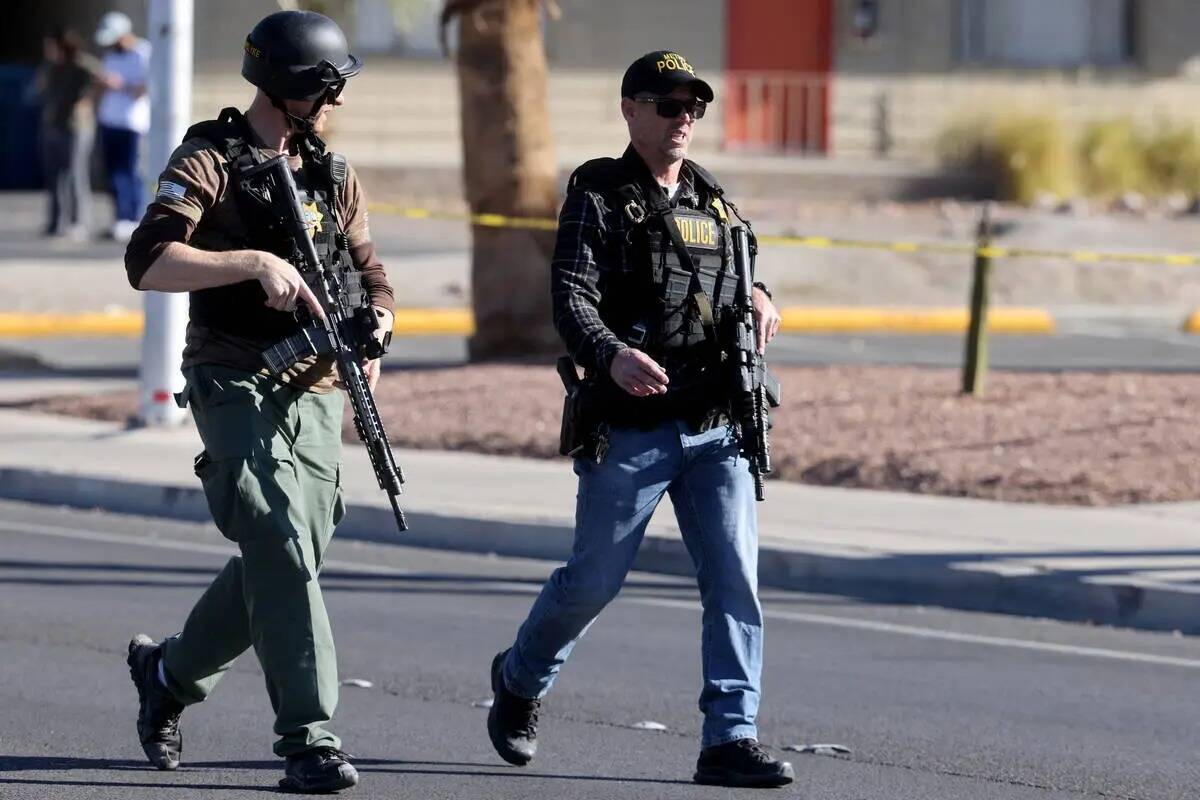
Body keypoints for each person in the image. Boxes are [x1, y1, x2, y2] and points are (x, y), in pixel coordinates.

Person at [484, 50, 792, 788]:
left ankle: (729, 737)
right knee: (594, 580)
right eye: (667, 103)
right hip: (633, 422)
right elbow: (571, 298)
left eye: (693, 106)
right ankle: (521, 679)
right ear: (630, 109)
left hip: (717, 423)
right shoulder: (599, 191)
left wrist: (763, 298)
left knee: (734, 580)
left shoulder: (712, 199)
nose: (683, 117)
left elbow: (735, 275)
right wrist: (613, 353)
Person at [121, 10, 395, 793]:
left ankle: (168, 674)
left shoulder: (334, 175)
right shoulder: (209, 157)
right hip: (233, 376)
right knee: (277, 540)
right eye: (329, 87)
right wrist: (248, 262)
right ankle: (311, 738)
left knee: (294, 554)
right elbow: (148, 260)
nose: (336, 102)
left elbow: (372, 276)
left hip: (315, 388)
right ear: (294, 86)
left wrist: (379, 327)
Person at [35, 27, 101, 240]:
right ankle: (56, 223)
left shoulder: (82, 64)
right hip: (53, 127)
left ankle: (79, 222)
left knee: (75, 174)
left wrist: (87, 102)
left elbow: (102, 81)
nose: (47, 50)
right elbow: (41, 89)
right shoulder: (51, 67)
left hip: (76, 129)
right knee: (54, 176)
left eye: (50, 45)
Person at [94, 11, 150, 242]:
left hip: (131, 123)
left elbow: (143, 89)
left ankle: (132, 218)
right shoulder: (111, 55)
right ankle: (119, 218)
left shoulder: (143, 53)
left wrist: (120, 85)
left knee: (128, 171)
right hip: (110, 121)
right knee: (112, 173)